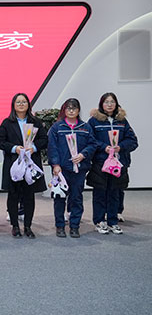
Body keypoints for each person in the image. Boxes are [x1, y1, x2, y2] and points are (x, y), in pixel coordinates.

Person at [0, 93, 48, 239]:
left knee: (29, 196)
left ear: (28, 104)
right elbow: (0, 142)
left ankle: (27, 226)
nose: (21, 104)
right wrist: (15, 148)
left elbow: (44, 140)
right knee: (13, 195)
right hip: (14, 164)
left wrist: (34, 148)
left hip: (31, 163)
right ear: (13, 105)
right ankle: (15, 226)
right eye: (18, 102)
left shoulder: (35, 122)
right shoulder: (7, 123)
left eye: (24, 102)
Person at [87, 93, 138, 234]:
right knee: (99, 192)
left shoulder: (122, 121)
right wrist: (104, 147)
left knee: (114, 192)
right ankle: (99, 221)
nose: (109, 105)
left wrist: (120, 147)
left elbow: (133, 141)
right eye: (106, 102)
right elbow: (90, 140)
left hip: (118, 163)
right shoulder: (94, 121)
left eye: (112, 102)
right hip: (100, 163)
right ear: (101, 104)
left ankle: (113, 221)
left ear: (116, 104)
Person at [47, 98, 97, 238]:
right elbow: (52, 147)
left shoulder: (85, 127)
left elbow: (92, 144)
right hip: (61, 169)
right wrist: (55, 164)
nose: (71, 111)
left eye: (74, 108)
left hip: (79, 169)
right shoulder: (57, 127)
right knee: (59, 198)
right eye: (68, 108)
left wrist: (83, 154)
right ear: (64, 110)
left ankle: (75, 226)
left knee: (76, 198)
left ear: (78, 110)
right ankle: (60, 226)